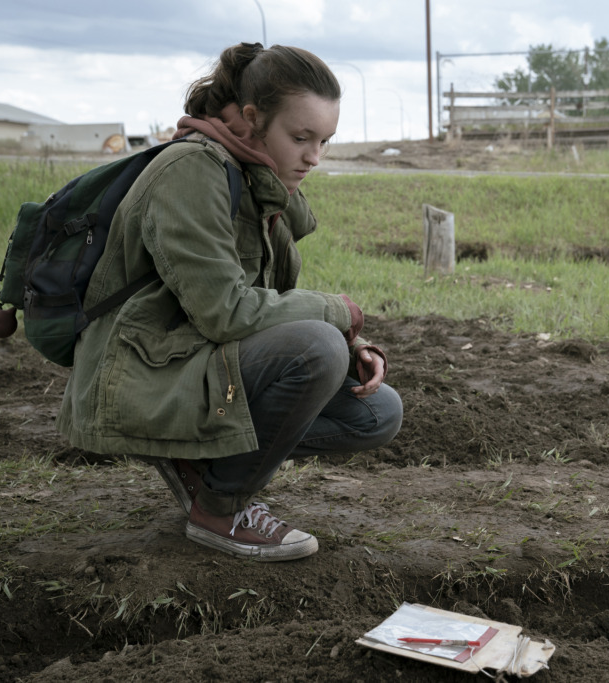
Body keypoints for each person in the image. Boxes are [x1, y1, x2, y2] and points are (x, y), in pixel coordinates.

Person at [56, 42, 403, 562]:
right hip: (138, 374)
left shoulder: (255, 176)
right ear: (251, 118)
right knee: (319, 349)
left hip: (192, 362)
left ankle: (203, 466)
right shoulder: (191, 171)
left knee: (376, 413)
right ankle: (221, 508)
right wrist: (337, 315)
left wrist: (352, 338)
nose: (313, 157)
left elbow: (270, 300)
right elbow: (226, 310)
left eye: (325, 141)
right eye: (300, 137)